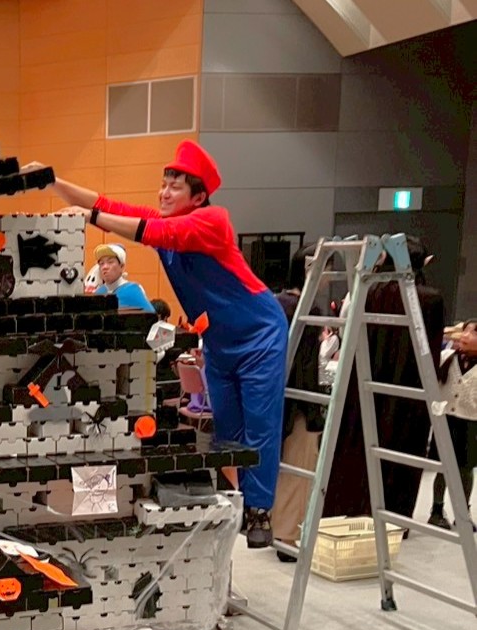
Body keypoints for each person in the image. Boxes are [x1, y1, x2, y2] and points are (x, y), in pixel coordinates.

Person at [26, 140, 288, 546]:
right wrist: (53, 182)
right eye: (163, 185)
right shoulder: (165, 222)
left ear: (197, 197)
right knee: (228, 428)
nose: (164, 193)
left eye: (175, 187)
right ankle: (235, 497)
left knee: (260, 426)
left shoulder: (211, 220)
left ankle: (259, 511)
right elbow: (106, 204)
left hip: (259, 334)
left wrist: (91, 217)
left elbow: (149, 230)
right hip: (218, 340)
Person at [323, 237, 444, 520]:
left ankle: (351, 510)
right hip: (409, 390)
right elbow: (430, 351)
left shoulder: (367, 292)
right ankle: (393, 519)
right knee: (401, 451)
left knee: (358, 445)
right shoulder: (428, 299)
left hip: (363, 382)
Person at [270, 245, 327, 561]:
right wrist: (312, 410)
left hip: (270, 398)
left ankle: (274, 526)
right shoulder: (307, 310)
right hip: (298, 402)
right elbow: (306, 367)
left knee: (276, 468)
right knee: (298, 469)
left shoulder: (274, 302)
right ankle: (288, 535)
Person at [427, 319, 477, 529]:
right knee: (443, 466)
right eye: (464, 331)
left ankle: (463, 513)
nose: (466, 335)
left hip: (471, 423)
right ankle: (437, 510)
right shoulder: (446, 357)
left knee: (466, 469)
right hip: (446, 420)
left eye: (473, 333)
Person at [84, 243, 154, 312]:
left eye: (110, 262)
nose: (104, 267)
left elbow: (152, 316)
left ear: (122, 266)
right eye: (101, 263)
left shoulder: (133, 290)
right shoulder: (99, 292)